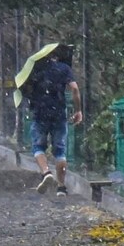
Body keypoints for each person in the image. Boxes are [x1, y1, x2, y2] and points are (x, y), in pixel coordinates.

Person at [26, 53, 82, 196]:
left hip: (40, 113)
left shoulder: (34, 69)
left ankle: (46, 173)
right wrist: (78, 110)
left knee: (38, 147)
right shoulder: (64, 68)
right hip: (58, 113)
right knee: (60, 151)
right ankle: (61, 187)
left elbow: (27, 90)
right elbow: (75, 89)